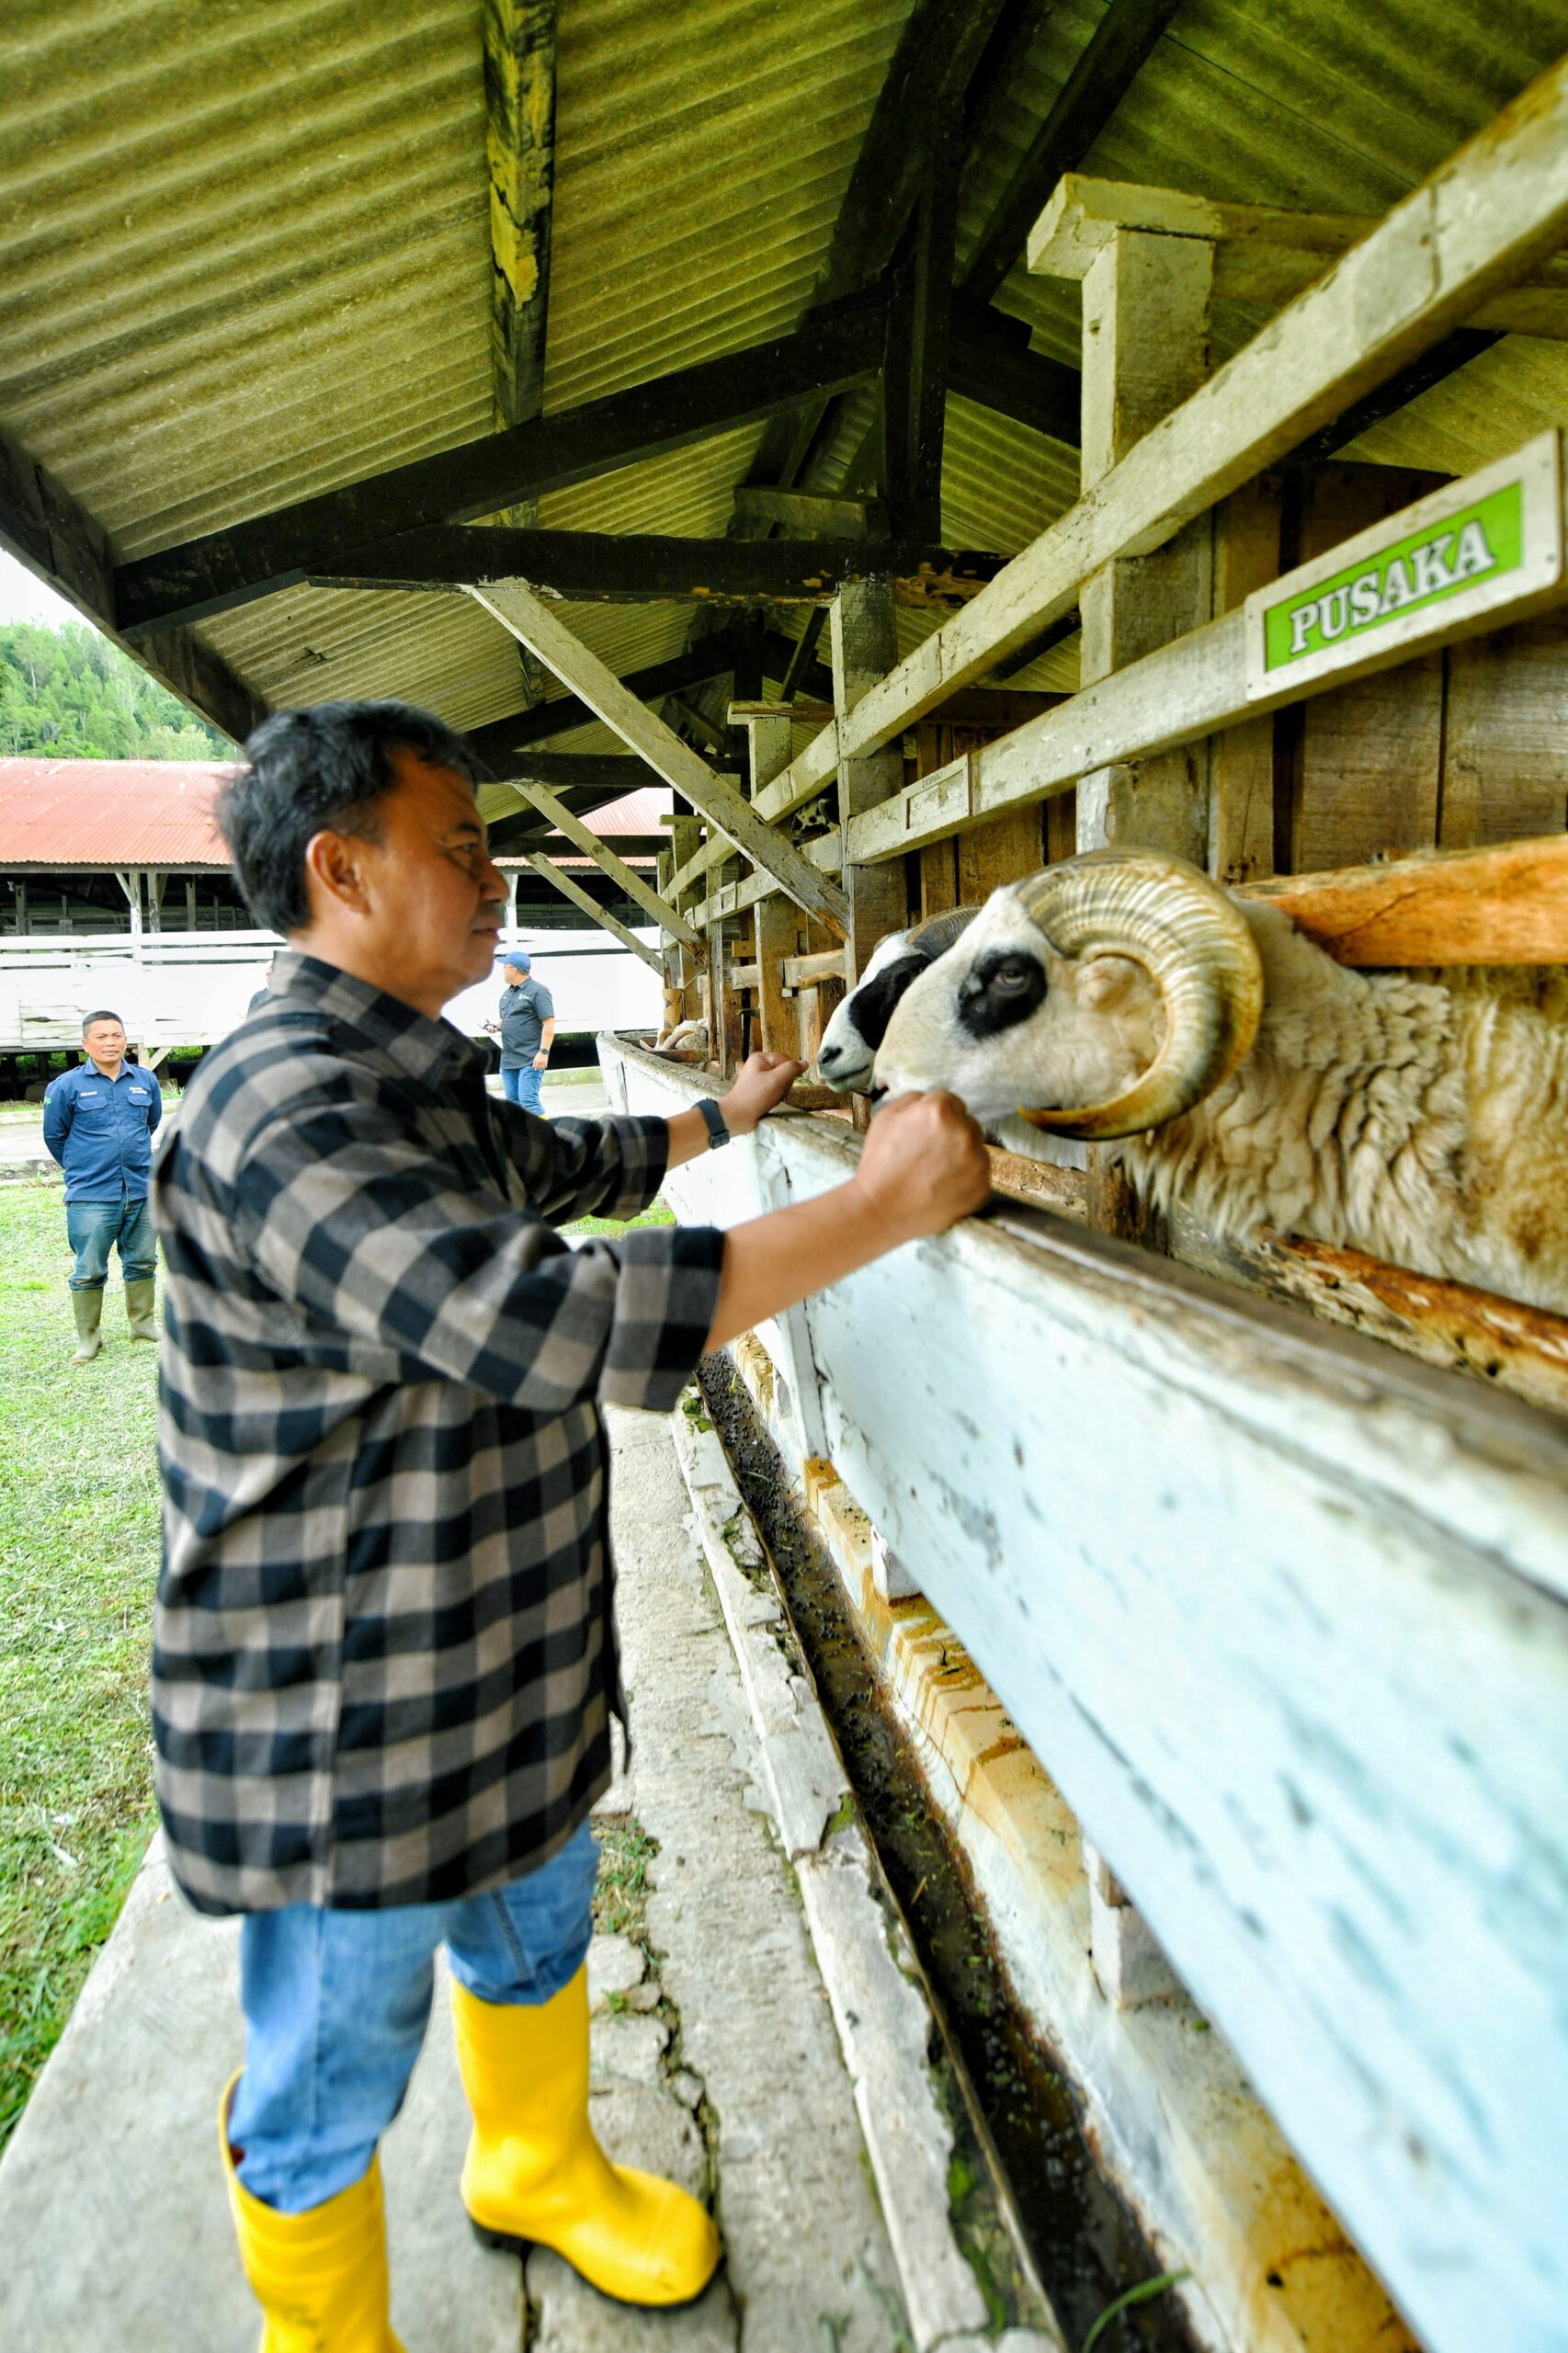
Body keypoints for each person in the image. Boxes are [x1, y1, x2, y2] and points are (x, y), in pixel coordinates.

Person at [151, 699, 989, 2347]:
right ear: (340, 866)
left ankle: (532, 2157)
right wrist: (881, 1204)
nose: (495, 884)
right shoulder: (279, 1108)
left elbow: (567, 1161)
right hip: (347, 1722)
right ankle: (325, 2331)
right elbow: (539, 1317)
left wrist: (730, 1118)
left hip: (504, 1662)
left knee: (538, 1937)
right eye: (459, 850)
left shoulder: (414, 1077)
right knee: (330, 2069)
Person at [42, 1009, 162, 1363]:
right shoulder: (66, 1086)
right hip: (92, 1194)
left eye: (116, 1035)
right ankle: (89, 1338)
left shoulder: (145, 1080)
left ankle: (142, 1324)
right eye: (102, 1036)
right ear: (85, 1044)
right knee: (89, 1268)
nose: (110, 1042)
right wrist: (86, 1166)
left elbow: (150, 1124)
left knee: (143, 1261)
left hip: (141, 1188)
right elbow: (54, 1135)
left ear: (125, 1039)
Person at [491, 950, 554, 1112]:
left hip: (530, 1058)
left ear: (514, 970)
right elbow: (509, 1017)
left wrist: (543, 1052)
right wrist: (496, 1026)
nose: (502, 971)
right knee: (513, 1104)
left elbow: (549, 1023)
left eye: (504, 967)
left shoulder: (539, 991)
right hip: (509, 1058)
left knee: (528, 1102)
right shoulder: (508, 993)